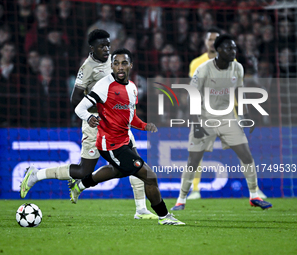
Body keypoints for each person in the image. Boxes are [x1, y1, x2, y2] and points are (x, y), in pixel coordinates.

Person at [20, 30, 157, 220]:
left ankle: (141, 209)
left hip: (117, 123)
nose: (106, 49)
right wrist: (91, 116)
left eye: (108, 45)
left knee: (136, 161)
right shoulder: (87, 67)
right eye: (102, 46)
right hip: (96, 125)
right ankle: (37, 174)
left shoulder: (112, 62)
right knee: (84, 170)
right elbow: (75, 99)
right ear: (91, 48)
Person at [69, 48, 185, 225]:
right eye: (115, 63)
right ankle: (164, 216)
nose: (120, 67)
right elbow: (79, 108)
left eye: (124, 63)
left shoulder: (132, 88)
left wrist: (145, 125)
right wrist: (90, 117)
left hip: (124, 140)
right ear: (111, 66)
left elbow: (131, 118)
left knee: (118, 171)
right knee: (150, 176)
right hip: (110, 144)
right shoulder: (103, 86)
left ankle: (81, 184)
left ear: (131, 65)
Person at [172, 34, 272, 211]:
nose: (233, 51)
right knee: (193, 160)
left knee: (246, 155)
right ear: (218, 50)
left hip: (227, 118)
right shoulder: (203, 69)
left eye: (234, 48)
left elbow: (239, 93)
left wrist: (246, 115)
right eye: (228, 48)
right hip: (204, 118)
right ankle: (181, 199)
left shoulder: (237, 68)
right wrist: (196, 124)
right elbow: (191, 97)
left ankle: (254, 195)